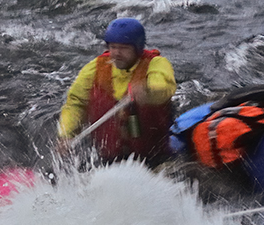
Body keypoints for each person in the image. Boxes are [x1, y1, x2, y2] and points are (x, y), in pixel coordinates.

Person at [57, 17, 177, 165]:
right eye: (113, 47)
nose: (117, 53)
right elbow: (76, 103)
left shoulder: (157, 63)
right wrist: (67, 134)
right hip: (108, 160)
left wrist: (148, 91)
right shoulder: (94, 68)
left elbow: (164, 87)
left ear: (138, 48)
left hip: (154, 157)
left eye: (124, 48)